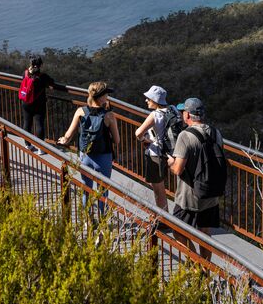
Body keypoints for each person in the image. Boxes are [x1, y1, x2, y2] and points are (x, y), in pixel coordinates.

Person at [169, 97, 226, 261]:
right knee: (205, 234)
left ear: (187, 115)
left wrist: (171, 162)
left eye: (183, 112)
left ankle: (196, 267)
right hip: (211, 194)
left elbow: (178, 169)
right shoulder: (216, 133)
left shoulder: (185, 136)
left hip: (189, 197)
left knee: (178, 231)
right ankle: (206, 272)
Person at [57, 81, 120, 216]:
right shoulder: (109, 116)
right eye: (106, 93)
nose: (108, 95)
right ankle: (102, 223)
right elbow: (117, 140)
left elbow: (68, 135)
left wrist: (63, 140)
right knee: (103, 191)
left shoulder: (80, 111)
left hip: (85, 156)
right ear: (102, 97)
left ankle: (87, 220)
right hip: (103, 157)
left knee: (86, 189)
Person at [135, 84, 174, 210]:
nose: (146, 100)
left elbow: (138, 133)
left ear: (155, 100)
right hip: (171, 153)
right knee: (164, 186)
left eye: (149, 98)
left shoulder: (155, 115)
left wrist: (144, 141)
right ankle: (167, 215)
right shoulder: (173, 110)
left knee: (158, 188)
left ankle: (163, 218)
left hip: (156, 153)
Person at [18, 56, 60, 143]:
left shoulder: (25, 73)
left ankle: (27, 144)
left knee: (27, 123)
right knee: (39, 124)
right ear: (40, 65)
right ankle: (40, 148)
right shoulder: (43, 76)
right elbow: (52, 82)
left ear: (30, 64)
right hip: (39, 104)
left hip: (25, 102)